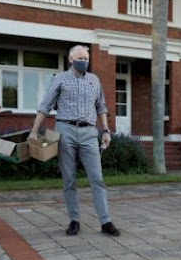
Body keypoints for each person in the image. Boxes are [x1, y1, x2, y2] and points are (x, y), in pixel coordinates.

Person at [29, 45, 120, 237]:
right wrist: (34, 131)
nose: (83, 61)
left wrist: (105, 130)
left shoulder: (94, 80)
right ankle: (74, 221)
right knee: (69, 179)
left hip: (89, 133)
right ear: (70, 59)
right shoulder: (60, 79)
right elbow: (45, 105)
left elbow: (101, 106)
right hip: (65, 131)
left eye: (86, 58)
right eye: (80, 58)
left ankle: (106, 222)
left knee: (97, 178)